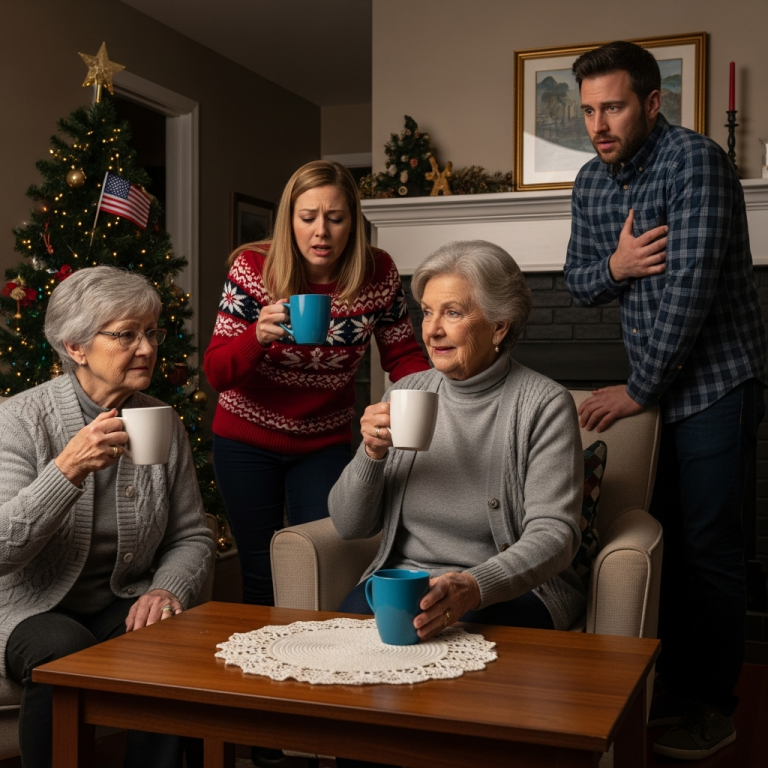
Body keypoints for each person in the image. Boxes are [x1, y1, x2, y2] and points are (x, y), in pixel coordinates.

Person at [564, 41, 768, 761]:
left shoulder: (697, 164)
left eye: (613, 106)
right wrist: (617, 265)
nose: (599, 123)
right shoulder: (592, 181)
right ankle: (668, 690)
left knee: (710, 548)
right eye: (588, 109)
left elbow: (689, 294)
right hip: (656, 388)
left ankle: (713, 708)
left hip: (715, 384)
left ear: (653, 103)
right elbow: (579, 282)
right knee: (660, 539)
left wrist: (637, 391)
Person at [328, 241, 585, 767]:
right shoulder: (407, 391)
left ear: (500, 326)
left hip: (506, 590)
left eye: (453, 312)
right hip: (404, 583)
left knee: (469, 712)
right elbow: (348, 524)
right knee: (345, 687)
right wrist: (371, 454)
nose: (433, 330)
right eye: (427, 312)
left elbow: (556, 535)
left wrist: (474, 586)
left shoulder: (543, 404)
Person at [0, 266, 216, 768]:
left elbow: (191, 536)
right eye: (125, 334)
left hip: (118, 600)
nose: (146, 347)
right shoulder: (19, 420)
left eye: (151, 332)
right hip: (27, 611)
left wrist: (166, 590)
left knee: (171, 637)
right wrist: (67, 470)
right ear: (75, 346)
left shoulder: (161, 421)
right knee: (65, 649)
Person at [204, 160, 429, 610]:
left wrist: (430, 401)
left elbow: (403, 356)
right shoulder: (253, 269)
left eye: (336, 218)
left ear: (354, 221)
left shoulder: (378, 272)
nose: (321, 232)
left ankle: (316, 664)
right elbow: (216, 372)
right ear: (290, 220)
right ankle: (259, 675)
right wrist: (256, 338)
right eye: (308, 218)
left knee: (325, 562)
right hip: (245, 441)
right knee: (261, 574)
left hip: (323, 442)